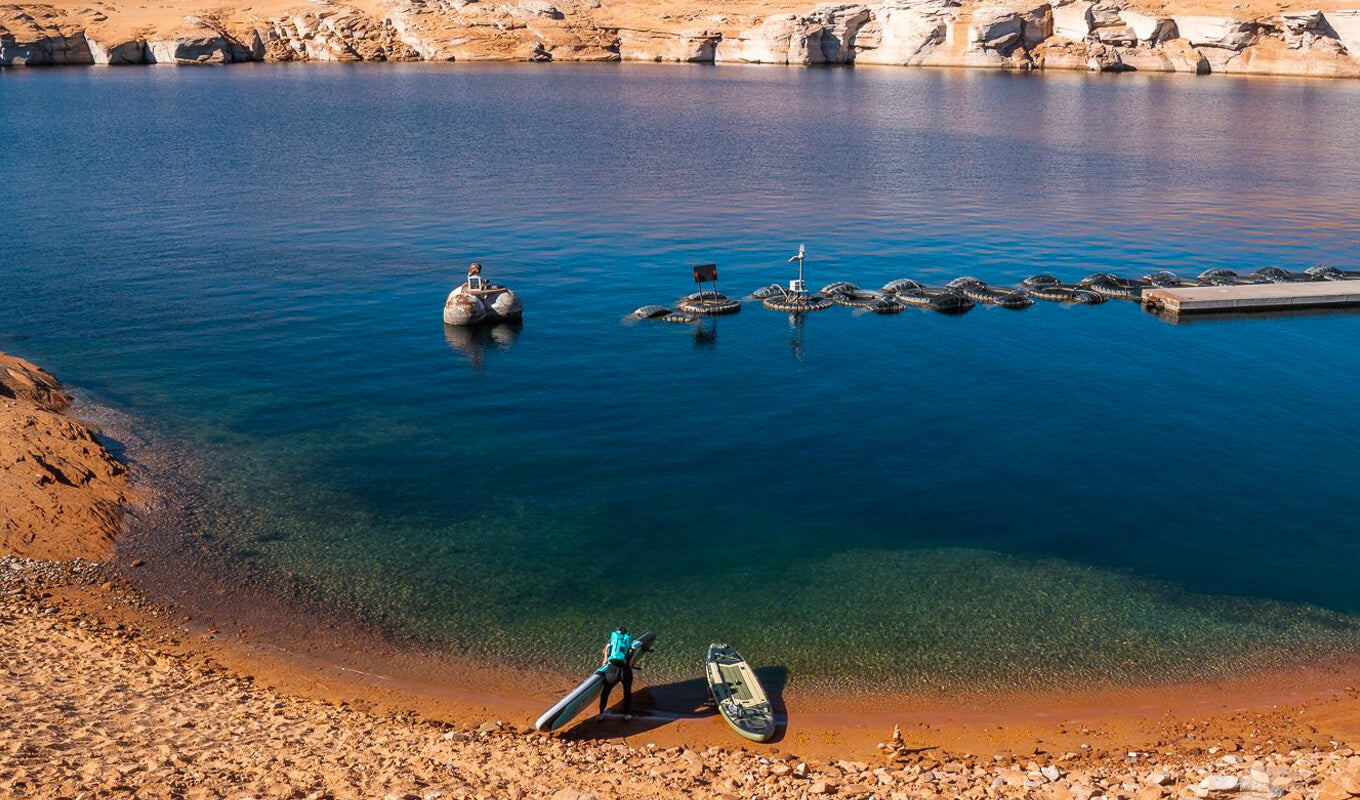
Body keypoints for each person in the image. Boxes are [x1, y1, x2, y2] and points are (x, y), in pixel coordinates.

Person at [597, 625, 634, 721]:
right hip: (625, 671)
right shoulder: (627, 643)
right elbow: (630, 662)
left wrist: (605, 659)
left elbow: (605, 662)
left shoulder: (611, 644)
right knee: (627, 692)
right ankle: (626, 715)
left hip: (612, 671)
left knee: (606, 692)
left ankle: (601, 714)